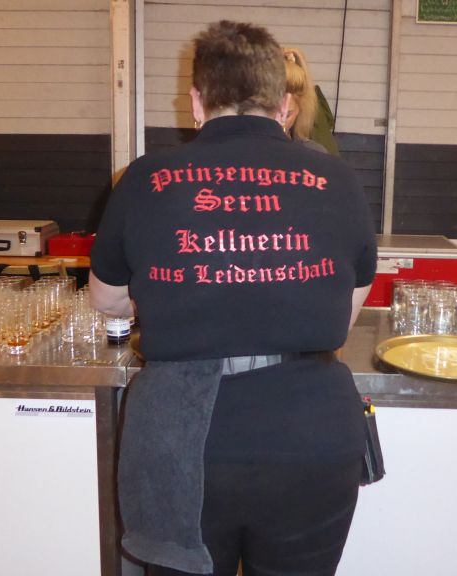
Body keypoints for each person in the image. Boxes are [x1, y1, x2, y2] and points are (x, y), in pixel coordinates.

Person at [89, 20, 376, 576]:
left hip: (181, 439)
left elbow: (106, 301)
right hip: (310, 433)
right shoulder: (336, 178)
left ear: (197, 101)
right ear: (284, 104)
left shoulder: (145, 179)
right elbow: (344, 314)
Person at [282, 47, 329, 154]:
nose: (279, 123)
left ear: (300, 109)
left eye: (287, 115)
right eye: (272, 113)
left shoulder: (314, 153)